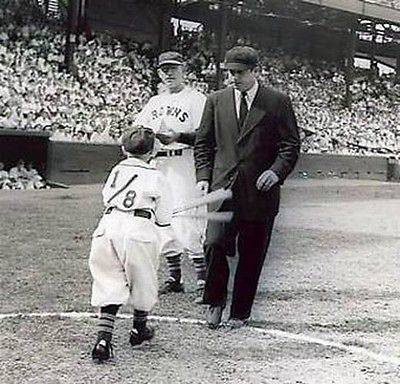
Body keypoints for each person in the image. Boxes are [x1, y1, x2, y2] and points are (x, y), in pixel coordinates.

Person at [194, 46, 301, 329]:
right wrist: (203, 176)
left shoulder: (277, 101)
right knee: (213, 244)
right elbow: (203, 144)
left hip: (260, 193)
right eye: (230, 73)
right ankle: (215, 301)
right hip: (221, 188)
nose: (234, 78)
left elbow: (290, 146)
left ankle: (240, 312)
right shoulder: (215, 101)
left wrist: (275, 172)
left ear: (255, 71)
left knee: (251, 254)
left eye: (240, 73)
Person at [89, 126, 173, 363]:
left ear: (124, 149)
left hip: (108, 225)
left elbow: (107, 197)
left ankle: (103, 340)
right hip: (138, 228)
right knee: (143, 279)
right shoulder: (156, 175)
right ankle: (139, 328)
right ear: (151, 151)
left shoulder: (116, 169)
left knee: (108, 280)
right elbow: (165, 218)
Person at [134, 51, 207, 298]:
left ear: (184, 69)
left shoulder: (196, 99)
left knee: (186, 218)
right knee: (160, 220)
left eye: (173, 68)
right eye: (164, 69)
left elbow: (206, 136)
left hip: (183, 162)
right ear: (158, 73)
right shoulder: (154, 102)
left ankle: (203, 280)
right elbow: (138, 131)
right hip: (157, 164)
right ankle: (175, 277)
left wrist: (179, 137)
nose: (169, 73)